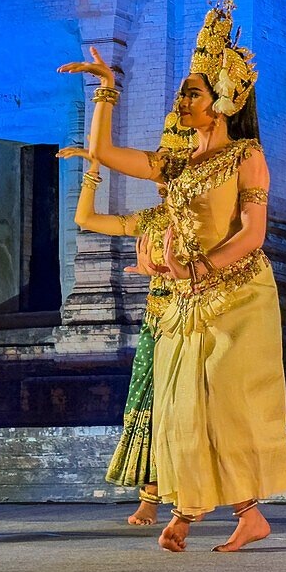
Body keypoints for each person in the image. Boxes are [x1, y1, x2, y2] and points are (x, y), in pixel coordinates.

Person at [59, 0, 286, 552]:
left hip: (239, 293)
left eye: (193, 91)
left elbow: (253, 235)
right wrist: (106, 90)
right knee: (180, 406)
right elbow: (102, 152)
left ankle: (207, 514)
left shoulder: (247, 156)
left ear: (224, 100)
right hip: (186, 297)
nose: (182, 98)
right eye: (183, 90)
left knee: (228, 402)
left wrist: (199, 267)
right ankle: (213, 513)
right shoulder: (176, 162)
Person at [56, 115, 194, 526]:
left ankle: (199, 497)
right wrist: (93, 172)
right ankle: (150, 498)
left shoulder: (208, 219)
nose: (164, 181)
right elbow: (87, 220)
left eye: (173, 172)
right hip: (158, 322)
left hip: (197, 319)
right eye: (162, 173)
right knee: (149, 404)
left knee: (193, 406)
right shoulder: (152, 220)